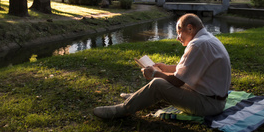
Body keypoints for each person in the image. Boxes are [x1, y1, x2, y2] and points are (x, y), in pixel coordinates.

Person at [93, 13, 232, 119]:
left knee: (158, 84)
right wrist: (165, 68)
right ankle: (139, 97)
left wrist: (154, 73)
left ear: (190, 28)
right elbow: (189, 69)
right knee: (160, 81)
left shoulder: (198, 45)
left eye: (179, 32)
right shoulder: (207, 39)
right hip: (214, 100)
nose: (177, 37)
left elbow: (178, 81)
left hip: (208, 105)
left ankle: (122, 110)